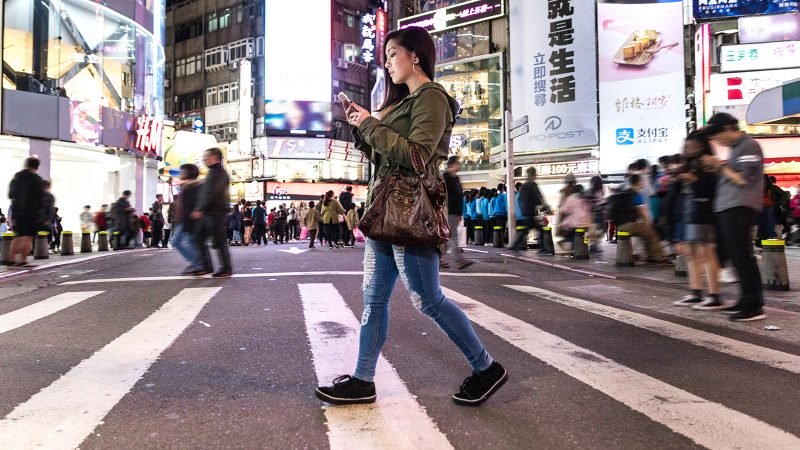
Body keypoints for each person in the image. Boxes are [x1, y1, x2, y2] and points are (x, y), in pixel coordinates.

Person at [316, 26, 506, 407]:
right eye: (385, 57)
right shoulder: (402, 102)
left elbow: (418, 156)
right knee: (373, 300)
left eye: (391, 54)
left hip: (410, 211)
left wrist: (371, 124)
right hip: (385, 210)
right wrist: (361, 127)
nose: (386, 64)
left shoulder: (432, 96)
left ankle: (485, 367)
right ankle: (362, 379)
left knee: (427, 299)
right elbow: (386, 158)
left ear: (414, 55)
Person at [703, 112, 766, 321]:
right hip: (731, 208)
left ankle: (753, 306)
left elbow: (743, 179)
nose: (716, 140)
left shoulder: (749, 146)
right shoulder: (736, 150)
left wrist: (720, 165)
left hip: (740, 207)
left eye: (717, 135)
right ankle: (747, 300)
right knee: (738, 257)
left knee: (742, 257)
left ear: (729, 128)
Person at [672, 130, 724, 310]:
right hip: (690, 213)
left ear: (702, 146)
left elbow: (711, 190)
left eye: (692, 145)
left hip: (704, 213)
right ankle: (696, 292)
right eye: (687, 145)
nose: (689, 148)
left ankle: (714, 295)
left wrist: (694, 180)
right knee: (691, 254)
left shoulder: (707, 163)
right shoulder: (689, 165)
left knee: (706, 253)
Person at [192, 147, 232, 277]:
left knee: (219, 241)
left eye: (206, 158)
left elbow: (211, 193)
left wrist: (201, 209)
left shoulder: (218, 173)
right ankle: (206, 266)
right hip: (210, 212)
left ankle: (225, 268)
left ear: (215, 157)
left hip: (215, 212)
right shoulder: (213, 173)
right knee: (199, 238)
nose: (204, 160)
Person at [609, 174, 668, 263]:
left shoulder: (622, 193)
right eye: (642, 181)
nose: (643, 183)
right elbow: (641, 211)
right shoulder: (636, 194)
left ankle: (650, 255)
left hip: (620, 226)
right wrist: (648, 223)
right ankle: (658, 256)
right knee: (651, 233)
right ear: (638, 182)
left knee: (645, 233)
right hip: (630, 225)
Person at [7, 158, 44, 268]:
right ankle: (22, 260)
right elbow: (40, 196)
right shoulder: (36, 179)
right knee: (28, 236)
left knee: (18, 235)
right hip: (31, 212)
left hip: (17, 211)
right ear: (36, 167)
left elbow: (10, 194)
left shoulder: (17, 177)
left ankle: (11, 259)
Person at [509, 167, 549, 253]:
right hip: (530, 211)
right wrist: (544, 206)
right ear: (532, 174)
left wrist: (523, 208)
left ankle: (515, 245)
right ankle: (543, 248)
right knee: (537, 229)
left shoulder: (525, 185)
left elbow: (520, 199)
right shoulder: (532, 184)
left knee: (528, 229)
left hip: (526, 211)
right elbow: (538, 196)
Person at [443, 155, 473, 269]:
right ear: (451, 164)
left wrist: (459, 213)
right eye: (457, 163)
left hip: (455, 212)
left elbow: (459, 197)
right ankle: (459, 261)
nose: (459, 165)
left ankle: (438, 258)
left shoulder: (456, 178)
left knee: (447, 238)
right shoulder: (445, 177)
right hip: (448, 211)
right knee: (453, 237)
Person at [172, 164, 203, 274]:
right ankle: (195, 263)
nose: (180, 173)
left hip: (190, 219)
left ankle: (197, 264)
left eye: (182, 171)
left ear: (189, 172)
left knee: (186, 241)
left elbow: (199, 201)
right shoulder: (184, 186)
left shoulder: (196, 185)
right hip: (182, 219)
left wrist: (197, 211)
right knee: (176, 241)